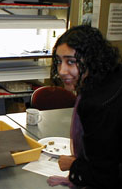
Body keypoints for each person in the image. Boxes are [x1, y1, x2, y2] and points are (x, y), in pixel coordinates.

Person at [48, 25, 122, 188]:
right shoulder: (112, 77)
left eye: (71, 62)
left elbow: (105, 176)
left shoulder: (97, 103)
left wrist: (73, 165)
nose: (61, 70)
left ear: (92, 59)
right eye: (59, 61)